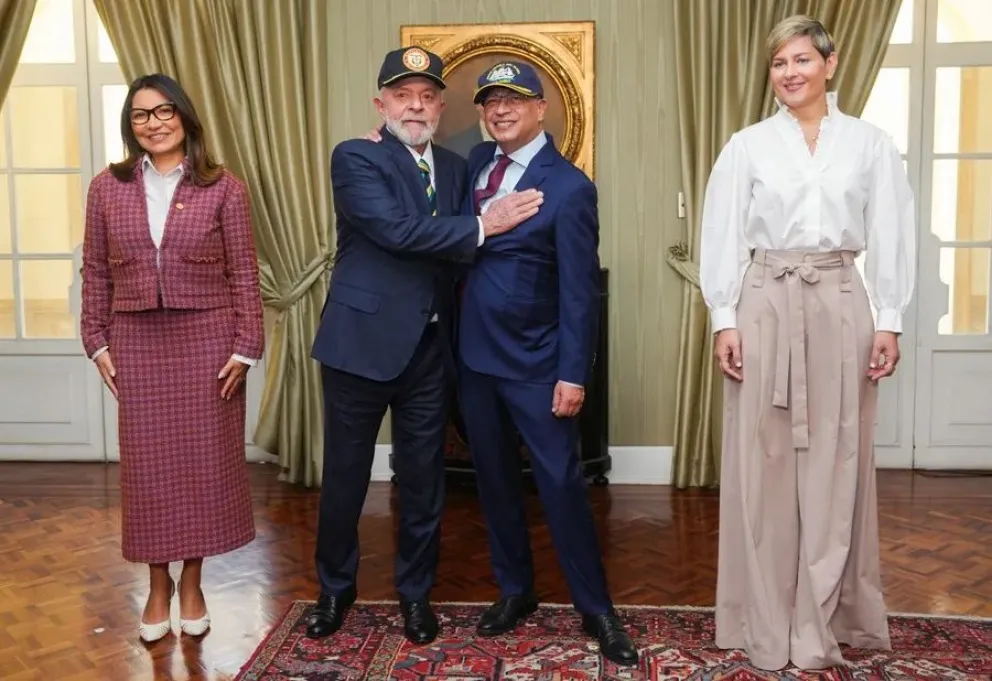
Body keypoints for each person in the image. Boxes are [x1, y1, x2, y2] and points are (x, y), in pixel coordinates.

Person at [698, 15, 915, 671]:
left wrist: (890, 317)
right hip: (765, 301)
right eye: (778, 64)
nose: (789, 73)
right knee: (763, 469)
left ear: (830, 63)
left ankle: (819, 619)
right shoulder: (747, 145)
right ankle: (762, 619)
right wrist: (724, 318)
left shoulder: (870, 145)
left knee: (835, 465)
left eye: (800, 60)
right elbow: (724, 234)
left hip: (843, 300)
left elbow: (892, 230)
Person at [307, 47, 543, 645]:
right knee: (345, 480)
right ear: (380, 103)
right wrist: (488, 223)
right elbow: (396, 230)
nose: (415, 105)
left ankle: (416, 596)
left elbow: (467, 232)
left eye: (427, 95)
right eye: (402, 95)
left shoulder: (460, 167)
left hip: (431, 352)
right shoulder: (356, 156)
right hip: (359, 348)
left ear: (440, 104)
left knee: (423, 482)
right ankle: (334, 592)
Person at [456, 62, 638, 667]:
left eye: (515, 99)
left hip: (538, 365)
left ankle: (596, 608)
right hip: (475, 361)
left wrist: (573, 373)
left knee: (560, 485)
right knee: (496, 483)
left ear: (542, 109)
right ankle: (516, 591)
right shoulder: (474, 169)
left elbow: (579, 291)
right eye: (490, 101)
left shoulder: (570, 186)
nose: (500, 109)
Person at [80, 73, 265, 642]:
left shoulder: (224, 187)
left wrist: (247, 345)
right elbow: (94, 269)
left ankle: (193, 582)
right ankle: (157, 584)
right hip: (135, 340)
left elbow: (243, 272)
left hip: (209, 341)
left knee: (204, 467)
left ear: (184, 118)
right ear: (129, 126)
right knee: (149, 471)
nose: (153, 123)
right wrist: (96, 338)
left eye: (163, 112)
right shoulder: (106, 188)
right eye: (140, 115)